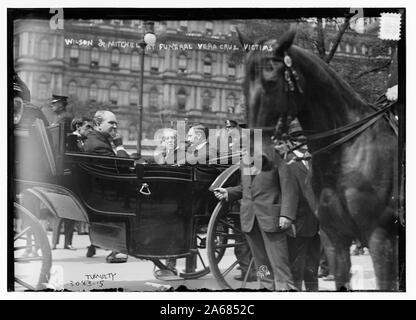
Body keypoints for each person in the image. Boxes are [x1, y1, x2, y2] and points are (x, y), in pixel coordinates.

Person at [214, 131, 298, 291]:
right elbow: (245, 189)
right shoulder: (245, 163)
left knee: (280, 264)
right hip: (250, 220)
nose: (242, 149)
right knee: (262, 265)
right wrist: (229, 192)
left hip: (272, 220)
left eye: (245, 145)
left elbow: (289, 189)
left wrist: (286, 215)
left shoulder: (278, 161)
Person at [278, 119, 320, 291]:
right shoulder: (288, 163)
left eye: (305, 139)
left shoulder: (315, 159)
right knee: (296, 268)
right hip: (298, 223)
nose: (302, 143)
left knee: (312, 268)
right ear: (292, 142)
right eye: (298, 139)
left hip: (316, 223)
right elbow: (287, 191)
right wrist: (288, 217)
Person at [83, 110, 129, 262]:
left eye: (116, 123)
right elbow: (121, 167)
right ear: (97, 124)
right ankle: (120, 248)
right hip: (106, 193)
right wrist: (120, 146)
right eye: (111, 123)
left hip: (102, 190)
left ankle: (117, 248)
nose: (115, 126)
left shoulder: (97, 139)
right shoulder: (98, 145)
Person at [47, 95, 76, 250]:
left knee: (63, 210)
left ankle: (59, 242)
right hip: (61, 165)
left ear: (61, 104)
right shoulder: (59, 118)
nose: (52, 107)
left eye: (54, 104)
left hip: (64, 166)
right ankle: (65, 242)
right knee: (63, 210)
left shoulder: (64, 118)